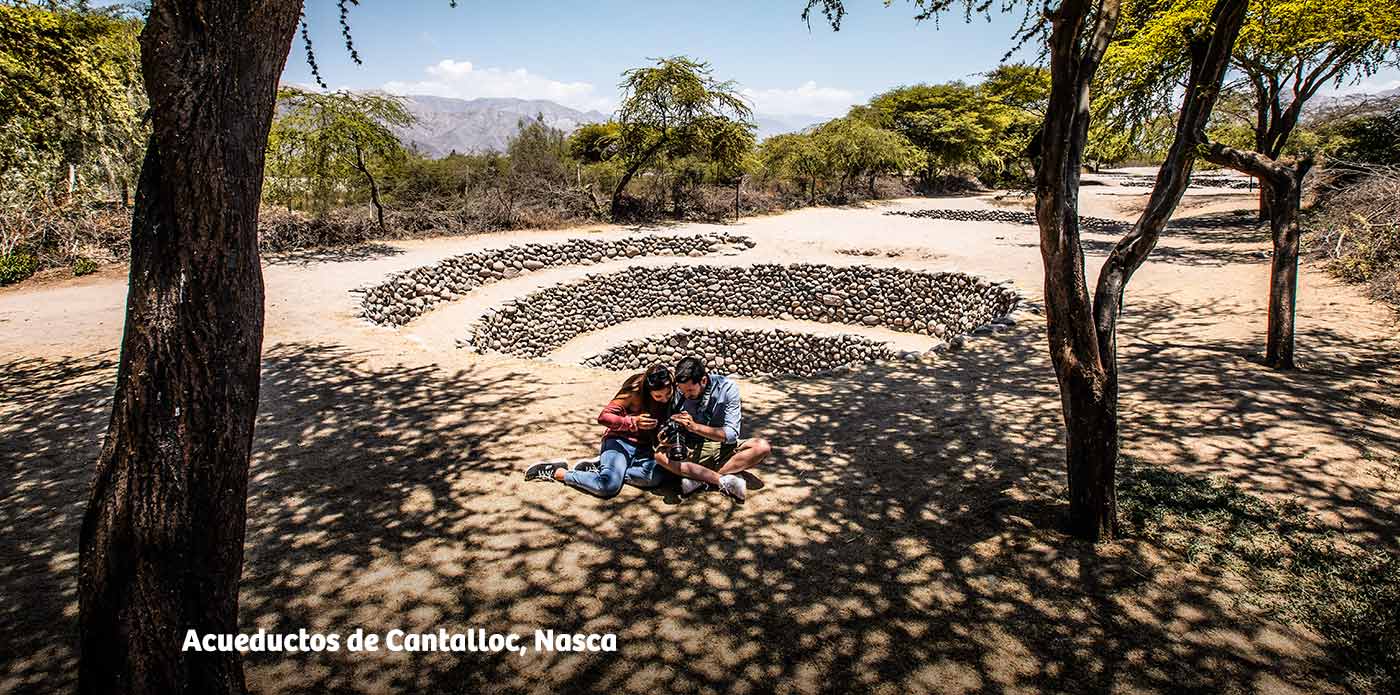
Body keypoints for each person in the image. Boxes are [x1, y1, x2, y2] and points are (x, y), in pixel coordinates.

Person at [523, 364, 675, 497]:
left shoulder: (673, 389)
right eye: (658, 396)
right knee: (608, 486)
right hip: (620, 441)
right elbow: (604, 417)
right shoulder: (634, 390)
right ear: (648, 390)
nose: (665, 399)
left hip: (644, 447)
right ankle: (558, 472)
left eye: (668, 394)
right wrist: (633, 421)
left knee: (656, 477)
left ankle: (605, 468)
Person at [668, 356, 772, 502]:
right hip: (692, 448)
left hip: (722, 447)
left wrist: (695, 427)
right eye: (682, 391)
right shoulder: (679, 390)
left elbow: (731, 434)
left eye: (690, 391)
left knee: (762, 447)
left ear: (703, 380)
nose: (686, 395)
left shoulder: (728, 388)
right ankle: (721, 478)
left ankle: (699, 477)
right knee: (661, 457)